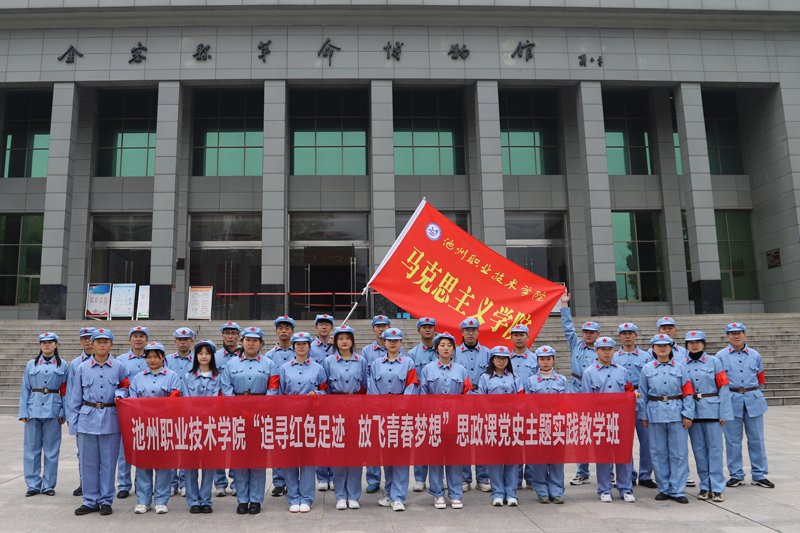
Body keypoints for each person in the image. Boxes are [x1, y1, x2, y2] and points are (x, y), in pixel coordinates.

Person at [70, 328, 130, 516]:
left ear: (111, 344)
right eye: (98, 341)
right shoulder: (82, 367)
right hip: (87, 418)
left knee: (109, 463)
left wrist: (120, 394)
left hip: (111, 419)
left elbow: (126, 388)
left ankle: (105, 500)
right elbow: (75, 398)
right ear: (92, 344)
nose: (102, 344)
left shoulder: (119, 366)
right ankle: (90, 500)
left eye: (106, 341)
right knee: (88, 462)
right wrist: (74, 424)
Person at [221, 326, 280, 514]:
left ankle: (255, 500)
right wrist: (238, 409)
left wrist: (259, 410)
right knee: (239, 460)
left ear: (261, 343)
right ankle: (242, 499)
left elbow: (273, 389)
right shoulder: (232, 364)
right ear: (242, 342)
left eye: (255, 340)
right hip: (237, 416)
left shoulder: (270, 364)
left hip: (260, 417)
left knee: (257, 460)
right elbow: (226, 387)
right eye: (248, 340)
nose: (251, 343)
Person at [118, 341, 181, 515]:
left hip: (164, 426)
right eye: (149, 356)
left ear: (163, 358)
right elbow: (133, 401)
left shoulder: (172, 376)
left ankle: (161, 500)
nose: (152, 360)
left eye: (156, 356)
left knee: (163, 464)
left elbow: (174, 400)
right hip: (143, 426)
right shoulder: (138, 377)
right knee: (143, 463)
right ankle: (143, 500)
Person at [638, 334, 696, 504]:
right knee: (658, 452)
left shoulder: (681, 368)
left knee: (679, 453)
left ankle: (677, 490)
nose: (662, 348)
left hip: (677, 412)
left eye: (665, 345)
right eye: (658, 345)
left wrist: (688, 414)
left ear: (671, 347)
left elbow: (688, 392)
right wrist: (643, 414)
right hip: (655, 413)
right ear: (653, 348)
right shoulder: (646, 369)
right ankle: (663, 488)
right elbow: (643, 394)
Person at [716, 322, 773, 489]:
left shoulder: (755, 355)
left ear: (745, 335)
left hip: (753, 400)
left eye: (739, 332)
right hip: (731, 400)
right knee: (733, 440)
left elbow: (760, 380)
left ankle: (759, 474)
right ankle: (736, 474)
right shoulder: (720, 356)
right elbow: (719, 382)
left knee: (757, 439)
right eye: (732, 333)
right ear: (727, 336)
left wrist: (753, 393)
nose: (736, 336)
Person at [368, 328, 418, 511]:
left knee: (401, 456)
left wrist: (400, 408)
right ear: (384, 342)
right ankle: (389, 493)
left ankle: (399, 496)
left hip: (401, 415)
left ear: (401, 343)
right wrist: (380, 408)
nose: (393, 343)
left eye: (396, 340)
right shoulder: (376, 364)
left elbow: (412, 386)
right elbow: (372, 387)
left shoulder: (408, 362)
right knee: (387, 455)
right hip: (381, 414)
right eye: (389, 340)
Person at [419, 331, 470, 510]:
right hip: (434, 420)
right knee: (435, 459)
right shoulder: (428, 369)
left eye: (449, 345)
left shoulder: (461, 369)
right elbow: (423, 396)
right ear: (436, 349)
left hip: (455, 420)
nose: (446, 348)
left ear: (454, 349)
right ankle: (438, 494)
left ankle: (456, 494)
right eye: (442, 345)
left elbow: (467, 394)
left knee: (455, 459)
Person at [581, 337, 636, 503]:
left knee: (624, 454)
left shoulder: (622, 370)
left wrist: (634, 397)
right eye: (603, 349)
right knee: (603, 455)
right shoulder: (589, 372)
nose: (606, 352)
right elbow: (586, 399)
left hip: (621, 418)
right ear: (596, 351)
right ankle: (604, 489)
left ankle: (625, 488)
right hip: (600, 419)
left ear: (614, 351)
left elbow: (628, 391)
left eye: (610, 349)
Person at [280, 331, 329, 512]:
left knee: (308, 460)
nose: (301, 347)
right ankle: (293, 497)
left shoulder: (318, 368)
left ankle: (306, 498)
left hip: (310, 419)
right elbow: (281, 394)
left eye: (304, 344)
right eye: (298, 344)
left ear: (309, 346)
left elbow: (325, 391)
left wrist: (318, 394)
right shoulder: (285, 368)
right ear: (293, 347)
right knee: (291, 459)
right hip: (290, 418)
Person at [684, 331, 733, 502]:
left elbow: (724, 388)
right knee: (699, 451)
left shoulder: (714, 362)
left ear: (704, 344)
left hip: (713, 410)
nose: (694, 345)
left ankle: (718, 487)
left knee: (715, 450)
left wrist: (725, 412)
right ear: (686, 345)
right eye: (690, 342)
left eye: (698, 342)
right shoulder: (681, 364)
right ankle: (705, 486)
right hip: (693, 413)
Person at [324, 325, 368, 510]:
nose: (344, 341)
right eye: (340, 338)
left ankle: (354, 495)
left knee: (355, 453)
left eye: (347, 338)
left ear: (352, 341)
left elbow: (366, 386)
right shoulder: (328, 361)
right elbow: (325, 387)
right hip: (336, 407)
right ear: (335, 340)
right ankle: (341, 496)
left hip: (356, 407)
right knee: (339, 452)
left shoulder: (361, 360)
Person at [19, 332, 68, 497]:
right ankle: (32, 484)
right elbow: (25, 388)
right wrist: (23, 411)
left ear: (56, 344)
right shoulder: (31, 365)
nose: (47, 345)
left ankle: (48, 485)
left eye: (50, 342)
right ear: (40, 345)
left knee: (52, 450)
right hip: (33, 409)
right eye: (44, 342)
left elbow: (65, 390)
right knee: (31, 449)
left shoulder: (63, 366)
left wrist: (63, 411)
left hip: (53, 410)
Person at [559, 292, 599, 486]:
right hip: (576, 388)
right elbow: (567, 328)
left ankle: (607, 472)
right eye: (585, 331)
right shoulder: (577, 344)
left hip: (596, 393)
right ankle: (582, 471)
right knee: (579, 432)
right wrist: (565, 305)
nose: (588, 334)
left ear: (598, 335)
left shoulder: (602, 349)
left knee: (600, 432)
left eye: (591, 332)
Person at [520, 345, 567, 504]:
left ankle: (557, 490)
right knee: (538, 460)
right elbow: (528, 403)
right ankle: (541, 490)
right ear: (537, 361)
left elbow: (566, 402)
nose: (545, 362)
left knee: (556, 460)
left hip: (557, 425)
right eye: (542, 359)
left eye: (548, 359)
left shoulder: (561, 380)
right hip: (537, 425)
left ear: (553, 360)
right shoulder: (531, 381)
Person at [613, 322, 657, 489]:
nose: (627, 336)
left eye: (630, 333)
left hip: (642, 400)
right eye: (624, 333)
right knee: (625, 440)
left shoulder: (646, 356)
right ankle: (628, 474)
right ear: (619, 337)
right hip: (622, 401)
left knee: (647, 440)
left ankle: (646, 474)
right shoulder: (615, 357)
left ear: (636, 335)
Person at [361, 314, 401, 493]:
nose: (381, 328)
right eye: (378, 326)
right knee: (374, 443)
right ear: (373, 330)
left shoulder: (400, 352)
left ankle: (393, 482)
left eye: (384, 325)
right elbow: (366, 377)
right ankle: (373, 479)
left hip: (396, 405)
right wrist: (376, 399)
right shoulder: (367, 351)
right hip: (375, 401)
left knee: (392, 441)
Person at [182, 340, 222, 513]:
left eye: (207, 353)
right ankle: (193, 501)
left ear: (212, 356)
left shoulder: (219, 376)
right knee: (191, 465)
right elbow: (185, 401)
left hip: (212, 425)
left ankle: (206, 499)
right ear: (195, 356)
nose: (204, 356)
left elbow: (221, 401)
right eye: (200, 353)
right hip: (192, 425)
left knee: (209, 464)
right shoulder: (187, 376)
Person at [478, 346, 520, 507]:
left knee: (512, 459)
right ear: (492, 360)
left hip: (512, 424)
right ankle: (497, 493)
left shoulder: (515, 378)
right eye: (498, 358)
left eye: (504, 358)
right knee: (495, 459)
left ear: (508, 360)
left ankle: (511, 493)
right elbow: (481, 401)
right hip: (493, 424)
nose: (501, 361)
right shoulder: (485, 378)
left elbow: (521, 400)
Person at [454, 317, 491, 493]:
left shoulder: (487, 353)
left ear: (478, 332)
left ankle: (483, 478)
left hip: (482, 400)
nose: (470, 333)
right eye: (467, 330)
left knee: (482, 439)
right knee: (463, 439)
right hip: (462, 400)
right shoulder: (454, 353)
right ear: (461, 333)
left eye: (473, 330)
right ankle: (464, 478)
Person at [115, 325, 150, 499]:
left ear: (146, 340)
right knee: (125, 449)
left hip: (148, 411)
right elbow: (117, 384)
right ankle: (123, 484)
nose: (138, 339)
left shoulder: (154, 358)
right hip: (127, 410)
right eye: (135, 336)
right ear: (129, 340)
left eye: (142, 336)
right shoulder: (120, 360)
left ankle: (142, 484)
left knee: (145, 448)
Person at [265, 315, 297, 498]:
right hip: (276, 405)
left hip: (296, 406)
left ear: (292, 331)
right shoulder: (269, 356)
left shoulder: (299, 352)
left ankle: (293, 480)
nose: (283, 331)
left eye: (287, 327)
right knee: (278, 443)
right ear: (276, 331)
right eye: (280, 328)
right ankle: (278, 482)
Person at [507, 323, 539, 490]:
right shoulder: (506, 359)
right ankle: (516, 478)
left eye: (522, 334)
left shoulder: (535, 359)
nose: (518, 337)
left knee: (532, 443)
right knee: (516, 443)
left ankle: (532, 478)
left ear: (528, 337)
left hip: (531, 407)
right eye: (515, 334)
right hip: (512, 409)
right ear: (511, 337)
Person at [67, 327, 97, 497]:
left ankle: (100, 482)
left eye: (90, 338)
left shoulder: (109, 360)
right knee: (83, 450)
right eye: (84, 338)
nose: (87, 341)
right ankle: (83, 481)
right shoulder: (76, 363)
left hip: (102, 413)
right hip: (83, 413)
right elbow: (71, 392)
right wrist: (72, 415)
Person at [408, 316, 437, 492]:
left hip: (439, 404)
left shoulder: (442, 349)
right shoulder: (412, 354)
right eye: (424, 327)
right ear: (418, 331)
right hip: (420, 404)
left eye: (430, 327)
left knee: (437, 440)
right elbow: (411, 381)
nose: (427, 330)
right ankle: (419, 478)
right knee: (420, 441)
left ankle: (437, 477)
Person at [165, 327, 195, 497]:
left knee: (186, 444)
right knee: (171, 444)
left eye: (186, 339)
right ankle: (171, 482)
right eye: (180, 339)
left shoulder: (196, 359)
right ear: (175, 341)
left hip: (189, 406)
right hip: (171, 407)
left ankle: (184, 482)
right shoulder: (167, 360)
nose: (183, 342)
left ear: (192, 341)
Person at [213, 322, 241, 497]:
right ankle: (220, 482)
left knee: (237, 444)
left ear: (239, 336)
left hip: (238, 407)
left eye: (233, 333)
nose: (230, 336)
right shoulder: (214, 357)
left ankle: (236, 480)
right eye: (227, 333)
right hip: (218, 406)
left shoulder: (246, 355)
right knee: (218, 444)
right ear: (222, 336)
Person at [309, 314, 335, 490]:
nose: (324, 327)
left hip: (335, 398)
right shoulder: (309, 347)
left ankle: (333, 475)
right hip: (317, 398)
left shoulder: (338, 345)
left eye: (327, 324)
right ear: (316, 328)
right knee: (319, 437)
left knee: (334, 437)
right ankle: (322, 477)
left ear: (332, 328)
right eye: (321, 324)